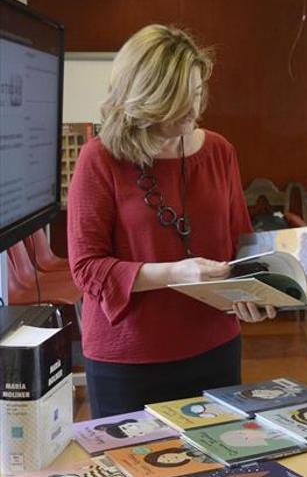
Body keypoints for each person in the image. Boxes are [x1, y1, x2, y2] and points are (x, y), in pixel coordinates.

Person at [67, 24, 276, 418]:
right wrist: (175, 273)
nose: (192, 111)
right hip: (129, 359)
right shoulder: (99, 160)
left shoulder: (218, 151)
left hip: (215, 345)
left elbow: (240, 243)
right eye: (177, 101)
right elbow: (87, 269)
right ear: (143, 99)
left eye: (196, 94)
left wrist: (254, 292)